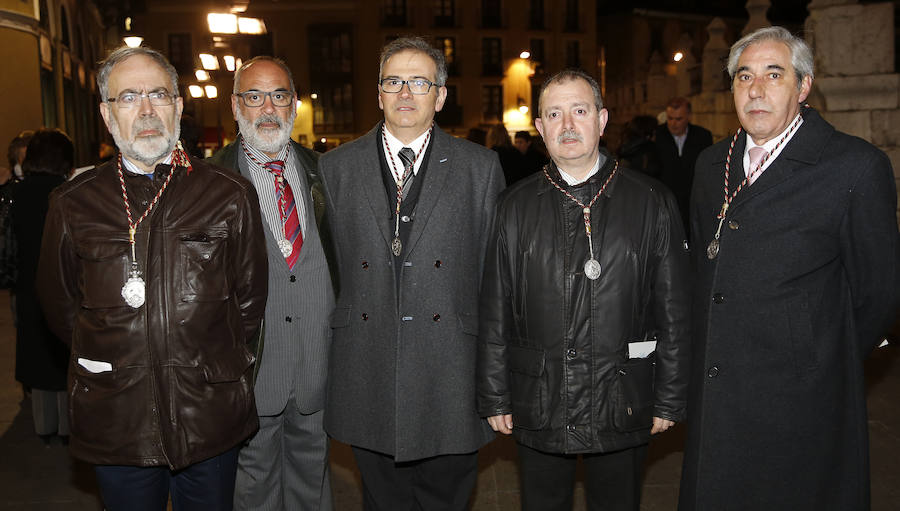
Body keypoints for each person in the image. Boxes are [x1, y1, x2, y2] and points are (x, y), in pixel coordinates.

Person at [36, 45, 268, 511]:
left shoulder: (230, 195)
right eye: (128, 97)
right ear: (106, 114)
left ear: (179, 106)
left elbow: (248, 305)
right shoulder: (73, 203)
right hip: (118, 418)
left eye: (158, 94)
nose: (145, 110)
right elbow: (61, 306)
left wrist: (206, 365)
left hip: (208, 416)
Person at [680, 26, 899, 510]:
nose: (755, 90)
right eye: (743, 77)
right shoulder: (712, 164)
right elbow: (704, 262)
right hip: (719, 391)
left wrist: (816, 352)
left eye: (773, 75)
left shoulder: (854, 168)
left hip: (802, 398)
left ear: (803, 86)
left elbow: (878, 295)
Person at [478, 68, 691, 511]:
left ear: (602, 118)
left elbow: (674, 308)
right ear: (539, 128)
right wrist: (495, 393)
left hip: (623, 396)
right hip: (539, 395)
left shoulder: (651, 201)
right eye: (554, 114)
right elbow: (494, 306)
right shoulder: (512, 207)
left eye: (579, 110)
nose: (568, 124)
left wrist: (669, 397)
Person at [319, 36, 504, 510]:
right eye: (393, 81)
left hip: (451, 371)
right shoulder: (335, 168)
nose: (405, 93)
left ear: (440, 96)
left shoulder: (479, 168)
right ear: (377, 93)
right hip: (368, 365)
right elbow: (332, 268)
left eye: (419, 82)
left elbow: (493, 279)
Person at [208, 56, 335, 511]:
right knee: (253, 490)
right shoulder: (208, 182)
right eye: (254, 96)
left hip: (318, 368)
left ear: (295, 104)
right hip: (249, 374)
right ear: (235, 105)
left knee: (312, 485)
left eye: (279, 96)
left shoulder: (328, 173)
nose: (267, 108)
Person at [12, 129, 73, 446]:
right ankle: (65, 427)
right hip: (60, 283)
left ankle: (43, 426)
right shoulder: (67, 194)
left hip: (26, 285)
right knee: (61, 356)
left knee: (37, 357)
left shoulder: (16, 194)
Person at [654, 97, 712, 239]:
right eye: (670, 118)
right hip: (664, 202)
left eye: (679, 119)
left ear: (689, 117)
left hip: (692, 201)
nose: (673, 124)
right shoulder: (657, 136)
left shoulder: (703, 137)